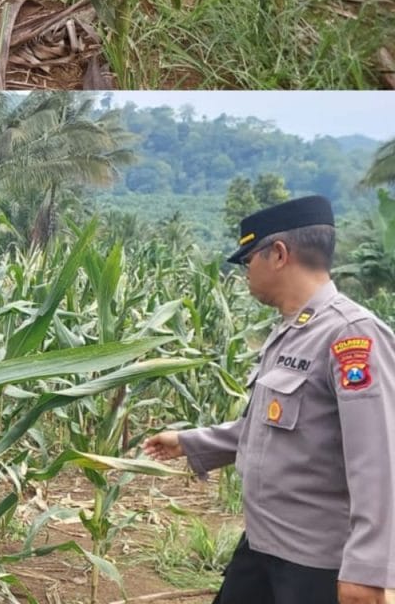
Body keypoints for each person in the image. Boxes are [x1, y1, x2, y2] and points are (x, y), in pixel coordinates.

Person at [141, 195, 394, 604]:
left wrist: (369, 568)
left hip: (317, 562)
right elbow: (272, 427)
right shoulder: (290, 332)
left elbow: (379, 459)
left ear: (278, 254)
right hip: (264, 543)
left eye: (247, 260)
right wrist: (191, 441)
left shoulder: (352, 336)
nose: (245, 274)